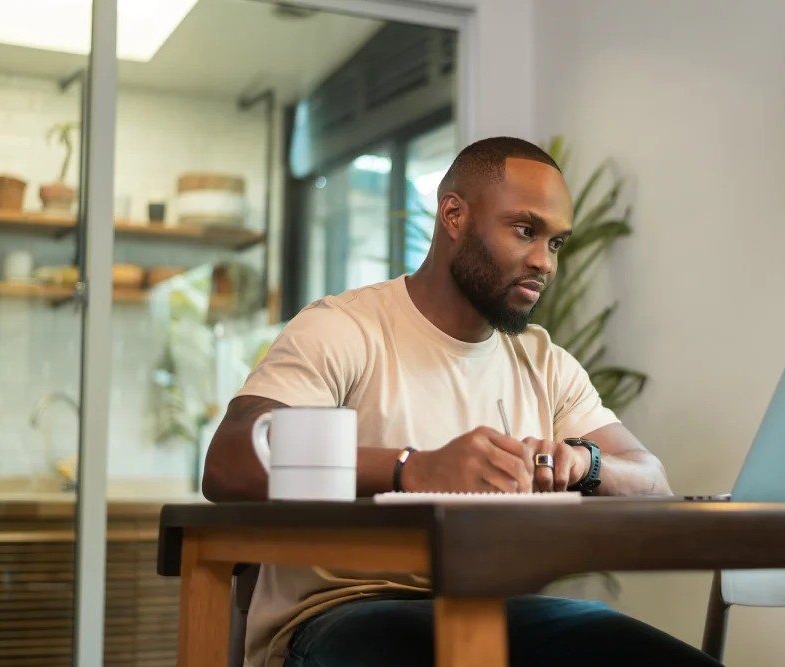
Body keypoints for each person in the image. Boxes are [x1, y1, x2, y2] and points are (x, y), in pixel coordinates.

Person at [202, 137, 721, 667]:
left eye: (557, 243)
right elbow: (228, 463)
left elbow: (652, 481)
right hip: (342, 611)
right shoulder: (343, 328)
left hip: (502, 612)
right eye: (525, 231)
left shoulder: (546, 362)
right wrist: (414, 469)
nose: (544, 262)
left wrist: (585, 464)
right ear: (453, 215)